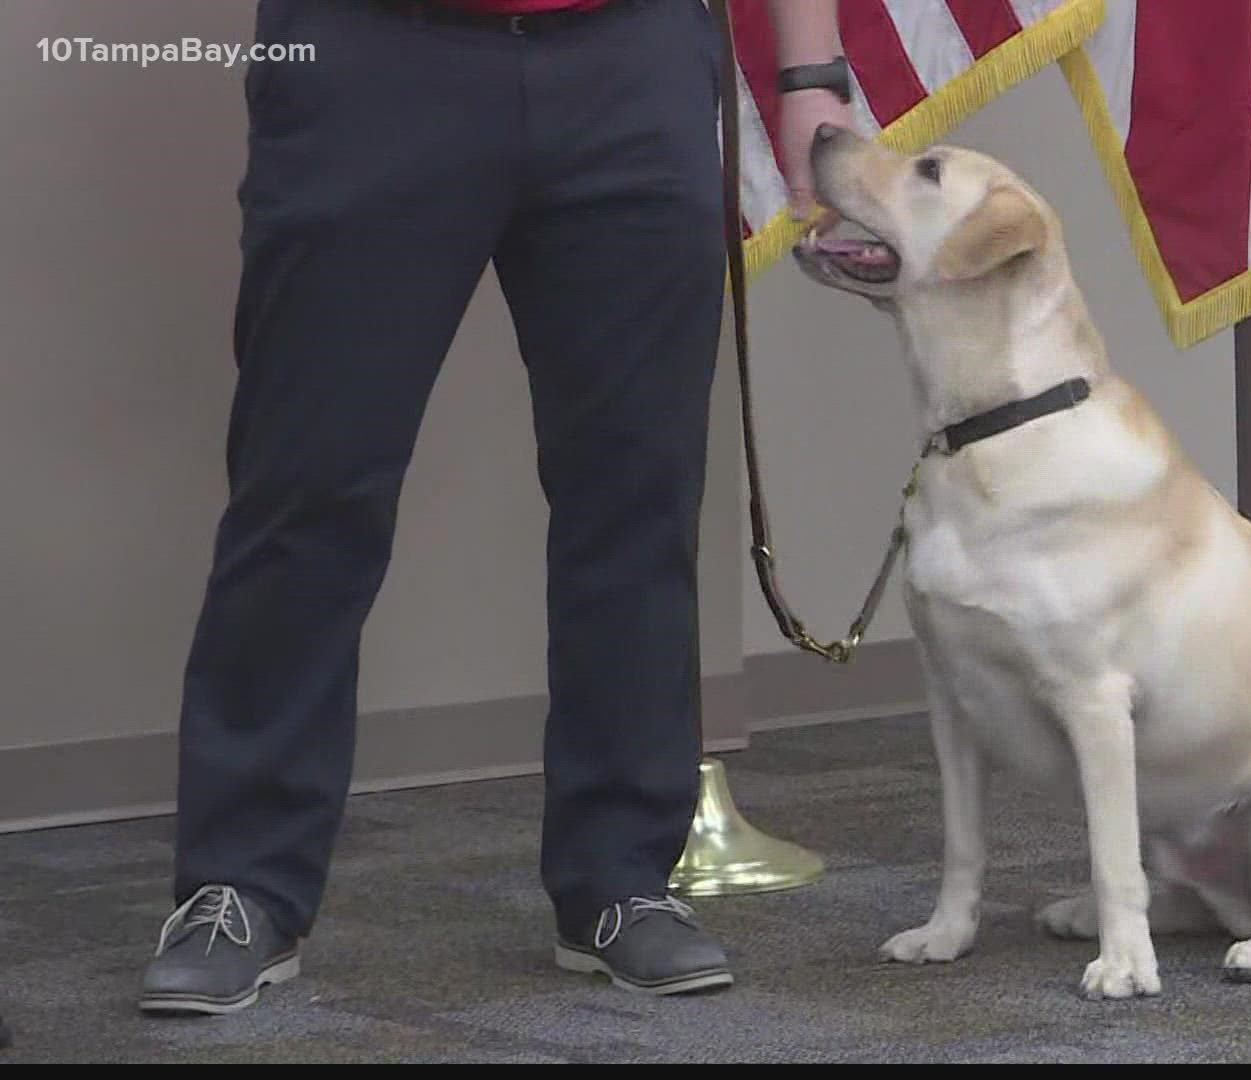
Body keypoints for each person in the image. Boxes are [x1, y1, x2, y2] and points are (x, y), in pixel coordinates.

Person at [140, 0, 853, 1015]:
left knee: (637, 489)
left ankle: (620, 880)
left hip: (631, 53)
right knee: (309, 486)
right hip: (370, 52)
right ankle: (242, 885)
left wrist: (808, 75)